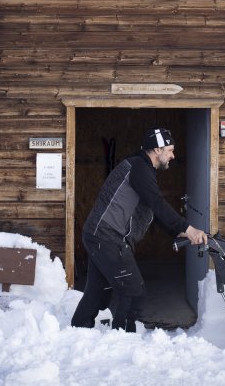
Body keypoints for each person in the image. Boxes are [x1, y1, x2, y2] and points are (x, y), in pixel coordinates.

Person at [71, 127, 208, 332]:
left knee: (98, 291)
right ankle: (123, 337)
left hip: (98, 235)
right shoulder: (139, 168)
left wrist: (178, 231)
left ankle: (78, 331)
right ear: (157, 149)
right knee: (134, 291)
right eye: (170, 150)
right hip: (107, 236)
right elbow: (157, 202)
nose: (173, 155)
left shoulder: (141, 169)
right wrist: (187, 228)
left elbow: (151, 208)